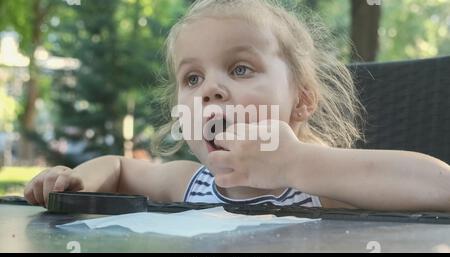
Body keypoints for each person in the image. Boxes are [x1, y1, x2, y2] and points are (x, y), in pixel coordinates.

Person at [24, 0, 450, 211]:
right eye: (192, 78)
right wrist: (72, 181)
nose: (210, 89)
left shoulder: (323, 181)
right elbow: (117, 168)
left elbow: (439, 186)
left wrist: (296, 164)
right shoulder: (191, 183)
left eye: (240, 69)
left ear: (301, 101)